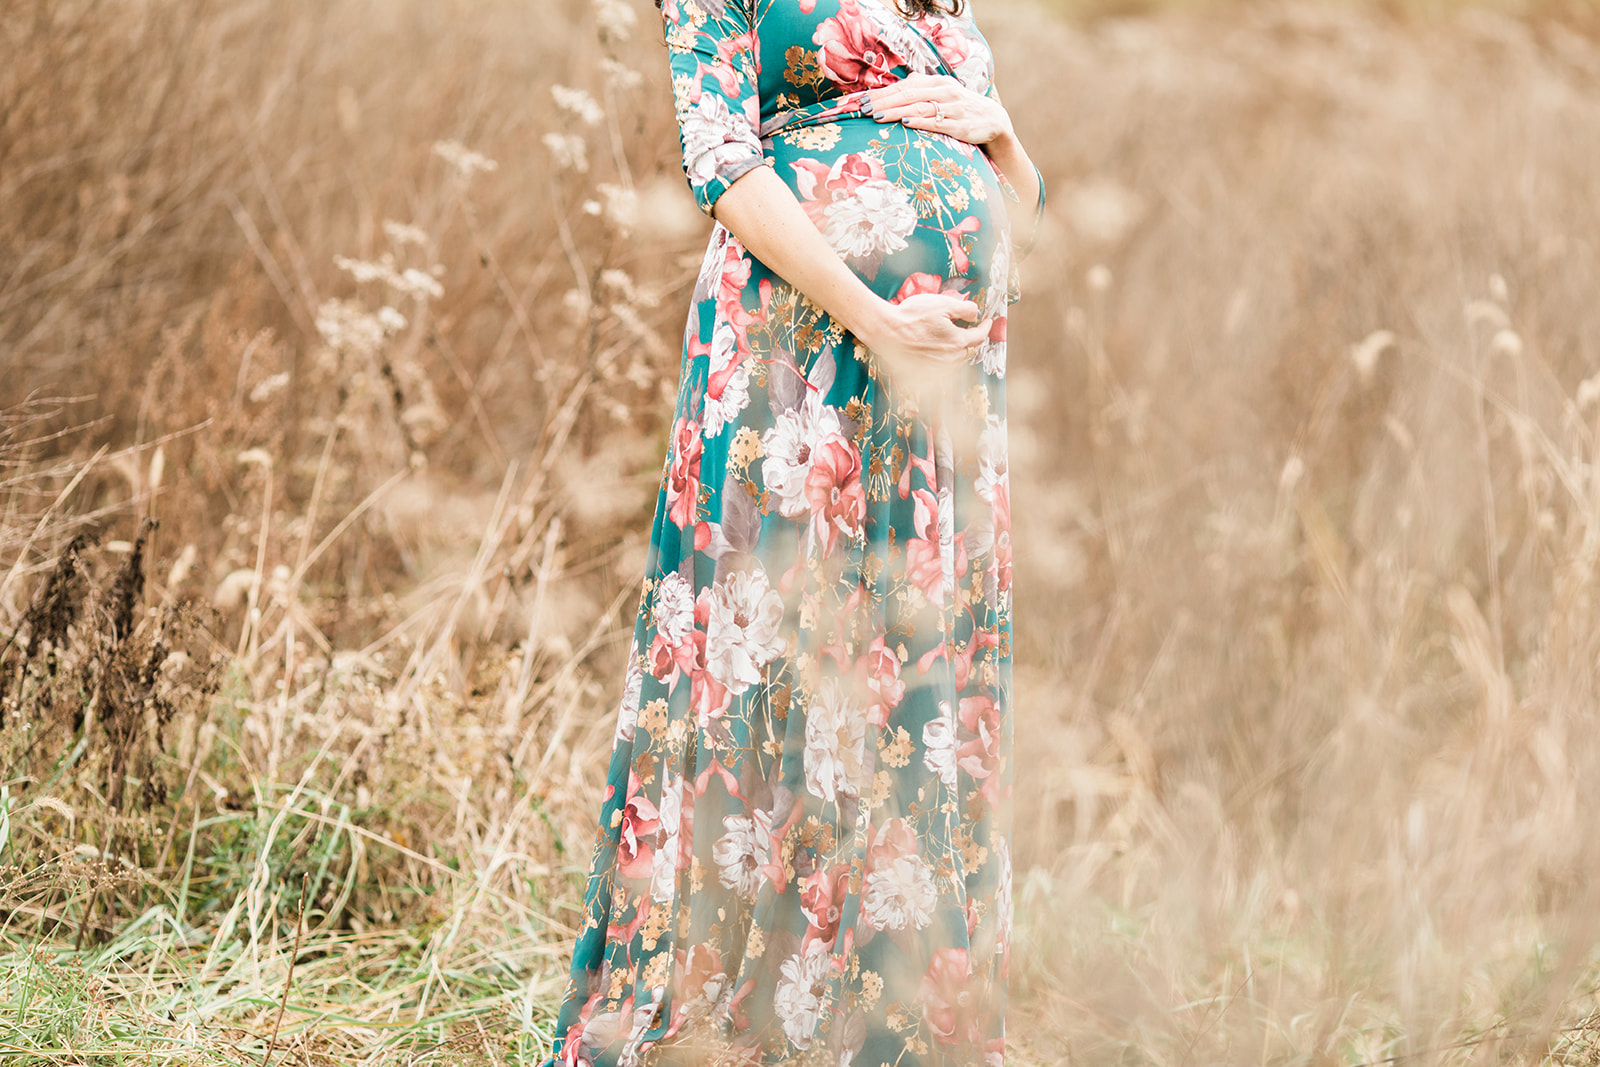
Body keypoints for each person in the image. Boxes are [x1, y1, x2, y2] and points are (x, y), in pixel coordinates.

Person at [544, 0, 1042, 1059]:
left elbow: (1023, 214)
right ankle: (749, 1021)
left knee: (912, 671)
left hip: (945, 400)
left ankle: (895, 1015)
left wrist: (1001, 138)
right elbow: (721, 166)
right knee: (778, 645)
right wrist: (878, 315)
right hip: (801, 358)